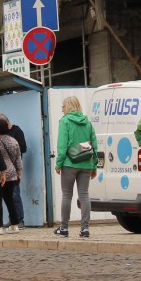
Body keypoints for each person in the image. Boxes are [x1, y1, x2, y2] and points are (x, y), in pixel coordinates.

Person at [54, 96, 95, 238]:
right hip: (86, 163)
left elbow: (62, 145)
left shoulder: (64, 121)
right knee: (84, 195)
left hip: (69, 163)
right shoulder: (88, 123)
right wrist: (94, 166)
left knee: (67, 195)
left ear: (69, 107)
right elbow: (94, 144)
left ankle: (64, 228)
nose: (62, 109)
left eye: (63, 106)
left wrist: (58, 163)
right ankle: (85, 229)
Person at [0, 114, 28, 228]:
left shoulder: (16, 132)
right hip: (12, 170)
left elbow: (23, 148)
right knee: (9, 198)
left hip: (4, 171)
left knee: (11, 196)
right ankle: (14, 221)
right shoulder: (12, 140)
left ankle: (18, 220)